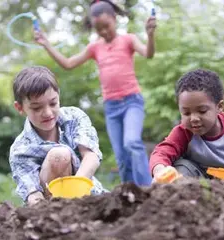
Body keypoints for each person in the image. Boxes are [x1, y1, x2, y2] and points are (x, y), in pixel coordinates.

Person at [34, 0, 157, 186]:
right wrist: (46, 44)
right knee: (121, 156)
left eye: (107, 26)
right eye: (99, 29)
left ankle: (148, 189)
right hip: (111, 107)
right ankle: (130, 193)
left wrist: (150, 35)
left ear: (115, 19)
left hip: (132, 101)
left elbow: (148, 53)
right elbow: (68, 64)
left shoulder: (128, 39)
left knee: (132, 143)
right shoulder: (95, 47)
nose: (104, 31)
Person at [9, 66, 106, 206]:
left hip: (88, 197)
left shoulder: (74, 117)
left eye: (53, 103)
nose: (48, 113)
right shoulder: (20, 149)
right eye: (37, 108)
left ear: (58, 96)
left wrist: (75, 190)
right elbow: (33, 194)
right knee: (59, 156)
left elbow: (91, 156)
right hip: (51, 209)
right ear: (20, 108)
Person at [150, 69, 224, 186]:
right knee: (180, 167)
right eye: (186, 113)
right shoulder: (184, 132)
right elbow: (161, 152)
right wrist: (160, 171)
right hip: (199, 182)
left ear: (219, 107)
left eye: (202, 111)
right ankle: (186, 198)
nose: (193, 118)